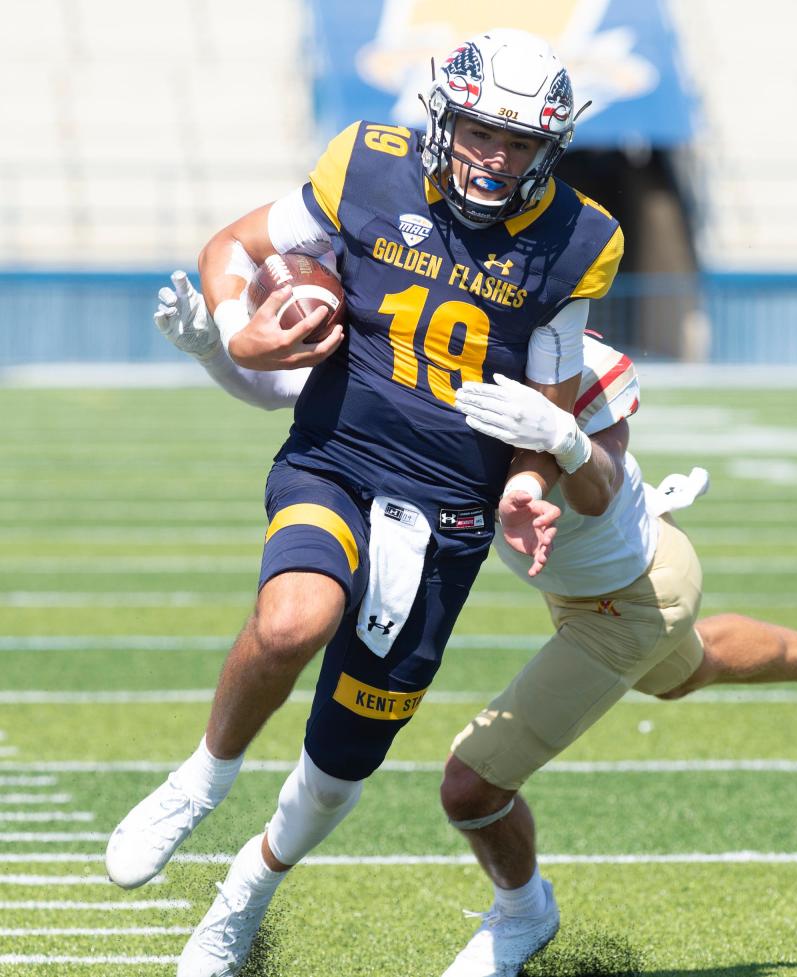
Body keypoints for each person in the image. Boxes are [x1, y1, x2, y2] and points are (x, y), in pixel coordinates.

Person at [154, 280, 797, 977]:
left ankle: (524, 911)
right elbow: (290, 388)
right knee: (687, 670)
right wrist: (212, 350)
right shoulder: (444, 350)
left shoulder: (583, 366)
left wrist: (561, 434)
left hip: (631, 593)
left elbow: (598, 485)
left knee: (472, 784)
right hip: (605, 581)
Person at [106, 28, 623, 977]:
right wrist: (237, 332)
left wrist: (525, 479)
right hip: (338, 453)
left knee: (341, 763)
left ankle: (242, 897)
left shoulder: (579, 239)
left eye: (517, 143)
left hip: (451, 508)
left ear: (549, 146)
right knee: (294, 617)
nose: (495, 157)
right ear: (444, 115)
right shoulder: (367, 167)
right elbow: (235, 244)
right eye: (478, 131)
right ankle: (200, 778)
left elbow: (545, 409)